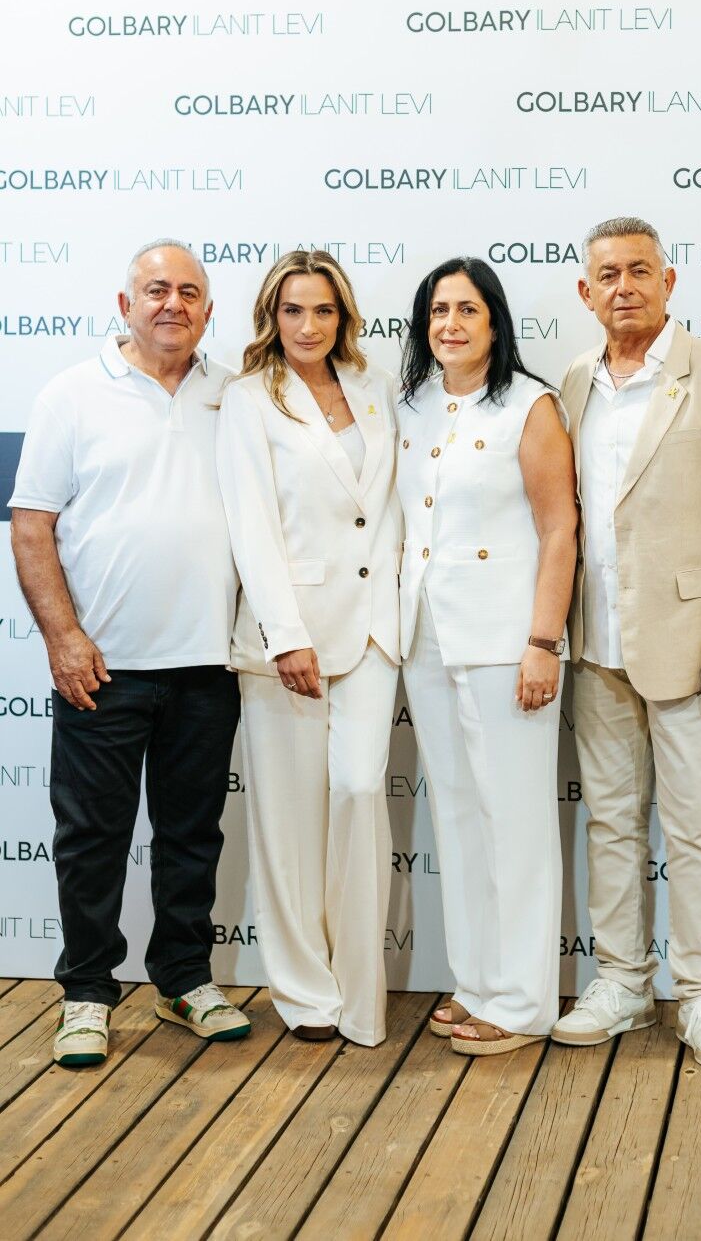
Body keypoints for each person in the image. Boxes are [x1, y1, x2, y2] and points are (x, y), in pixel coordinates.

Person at [9, 238, 249, 1067]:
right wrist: (63, 639)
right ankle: (85, 991)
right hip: (102, 668)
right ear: (125, 305)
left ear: (208, 311)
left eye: (188, 292)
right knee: (91, 839)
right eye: (155, 290)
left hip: (208, 665)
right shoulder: (73, 393)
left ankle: (184, 980)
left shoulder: (235, 394)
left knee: (192, 837)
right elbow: (32, 525)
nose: (171, 303)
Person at [553, 216, 701, 1068]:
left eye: (640, 271)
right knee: (611, 824)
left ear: (668, 281)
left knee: (693, 828)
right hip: (596, 647)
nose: (625, 287)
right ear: (586, 292)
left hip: (690, 652)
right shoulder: (573, 382)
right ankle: (621, 981)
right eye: (608, 274)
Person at [216, 250, 401, 1045]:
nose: (308, 324)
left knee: (359, 793)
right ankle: (303, 993)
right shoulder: (248, 398)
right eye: (293, 309)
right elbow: (250, 524)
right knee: (290, 824)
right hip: (287, 639)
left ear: (343, 316)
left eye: (323, 309)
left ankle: (360, 994)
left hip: (374, 630)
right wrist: (284, 636)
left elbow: (388, 508)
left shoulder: (374, 385)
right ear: (272, 316)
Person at [397, 256, 577, 1055]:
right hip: (427, 636)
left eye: (468, 310)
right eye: (439, 311)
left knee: (516, 822)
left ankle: (524, 1000)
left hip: (508, 641)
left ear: (495, 322)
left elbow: (560, 529)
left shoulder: (529, 405)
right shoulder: (411, 404)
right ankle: (475, 982)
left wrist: (543, 641)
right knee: (459, 815)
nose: (452, 324)